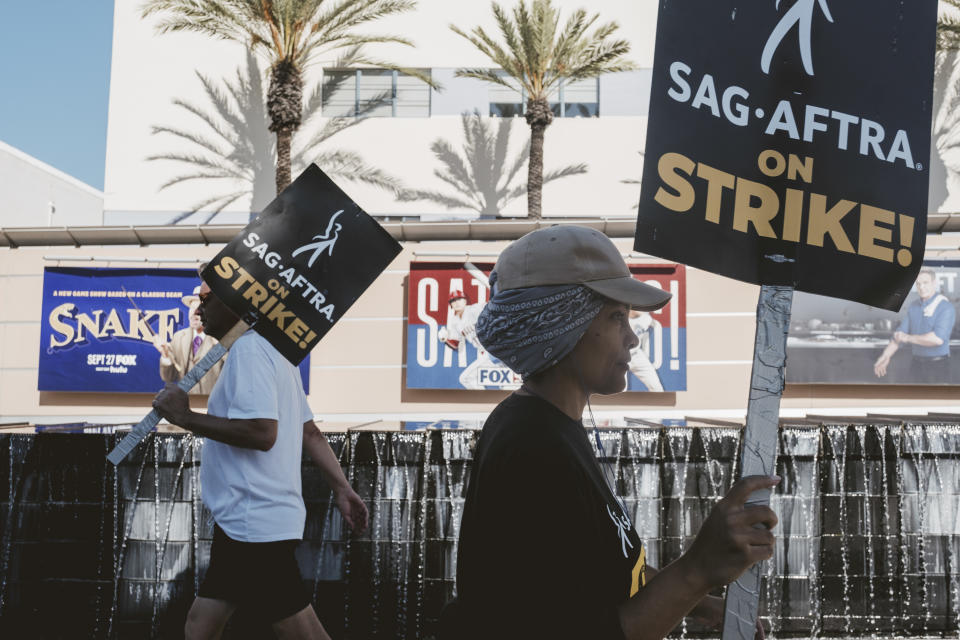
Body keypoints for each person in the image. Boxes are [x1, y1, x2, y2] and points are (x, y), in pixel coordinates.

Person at [440, 226, 778, 640]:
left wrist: (700, 601)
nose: (633, 338)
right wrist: (697, 570)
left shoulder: (547, 424)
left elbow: (608, 563)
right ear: (564, 326)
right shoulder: (535, 448)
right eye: (617, 317)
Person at [152, 280, 369, 640]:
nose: (199, 307)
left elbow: (261, 432)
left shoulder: (249, 350)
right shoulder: (276, 351)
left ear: (238, 304)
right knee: (199, 624)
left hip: (253, 521)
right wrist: (343, 489)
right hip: (250, 520)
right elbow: (309, 431)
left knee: (302, 633)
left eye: (207, 298)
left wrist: (186, 418)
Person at [874, 268, 956, 383]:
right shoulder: (914, 306)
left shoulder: (945, 307)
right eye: (918, 284)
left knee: (936, 400)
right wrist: (885, 356)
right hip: (916, 364)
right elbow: (899, 334)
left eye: (925, 283)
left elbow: (937, 339)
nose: (921, 287)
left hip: (938, 366)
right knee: (913, 400)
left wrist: (907, 338)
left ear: (934, 283)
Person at [154, 285, 223, 394]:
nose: (194, 313)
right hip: (185, 403)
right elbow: (169, 377)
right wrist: (166, 356)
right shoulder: (178, 337)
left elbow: (232, 373)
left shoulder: (220, 338)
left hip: (211, 404)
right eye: (192, 308)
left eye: (200, 309)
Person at [438, 290, 496, 389]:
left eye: (459, 299)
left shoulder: (474, 309)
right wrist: (445, 339)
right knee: (506, 384)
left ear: (465, 301)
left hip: (494, 349)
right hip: (487, 354)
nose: (456, 302)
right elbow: (455, 344)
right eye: (453, 300)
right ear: (451, 305)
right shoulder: (455, 321)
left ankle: (481, 400)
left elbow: (492, 307)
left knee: (466, 378)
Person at [628, 310, 664, 392]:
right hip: (618, 357)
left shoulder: (647, 318)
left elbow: (637, 313)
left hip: (636, 355)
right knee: (619, 392)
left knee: (657, 389)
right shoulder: (617, 315)